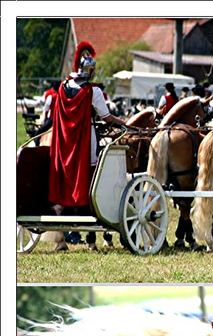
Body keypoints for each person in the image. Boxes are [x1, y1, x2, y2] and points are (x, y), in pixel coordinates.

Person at [46, 41, 130, 252]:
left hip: (64, 144)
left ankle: (62, 238)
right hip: (84, 142)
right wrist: (124, 123)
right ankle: (91, 232)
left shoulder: (63, 87)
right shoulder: (93, 91)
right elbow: (106, 116)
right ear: (90, 71)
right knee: (95, 175)